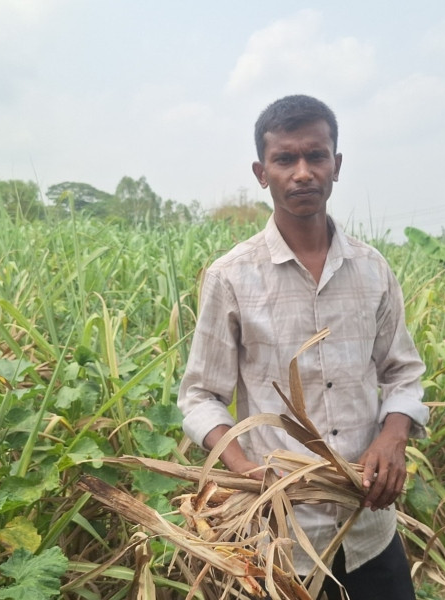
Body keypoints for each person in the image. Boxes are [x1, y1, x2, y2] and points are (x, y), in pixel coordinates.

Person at [178, 94, 428, 600]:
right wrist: (246, 472)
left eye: (315, 156)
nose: (302, 172)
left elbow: (402, 374)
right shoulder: (232, 277)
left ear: (336, 165)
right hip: (281, 541)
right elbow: (200, 396)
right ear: (261, 171)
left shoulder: (372, 268)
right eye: (285, 159)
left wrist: (393, 435)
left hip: (369, 531)